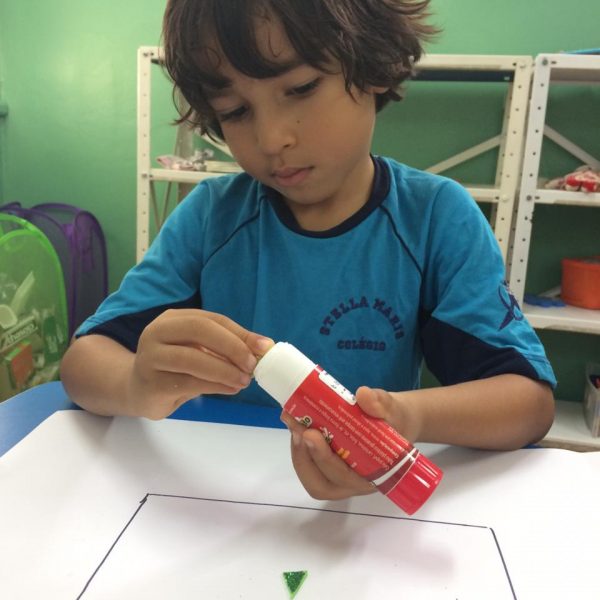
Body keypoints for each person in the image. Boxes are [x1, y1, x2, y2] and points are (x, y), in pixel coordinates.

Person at [61, 0, 556, 502]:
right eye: (235, 111)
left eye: (300, 88)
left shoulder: (434, 218)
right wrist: (136, 384)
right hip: (218, 495)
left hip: (367, 511)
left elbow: (528, 404)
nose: (272, 139)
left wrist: (406, 418)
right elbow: (83, 364)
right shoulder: (211, 217)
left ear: (375, 65)